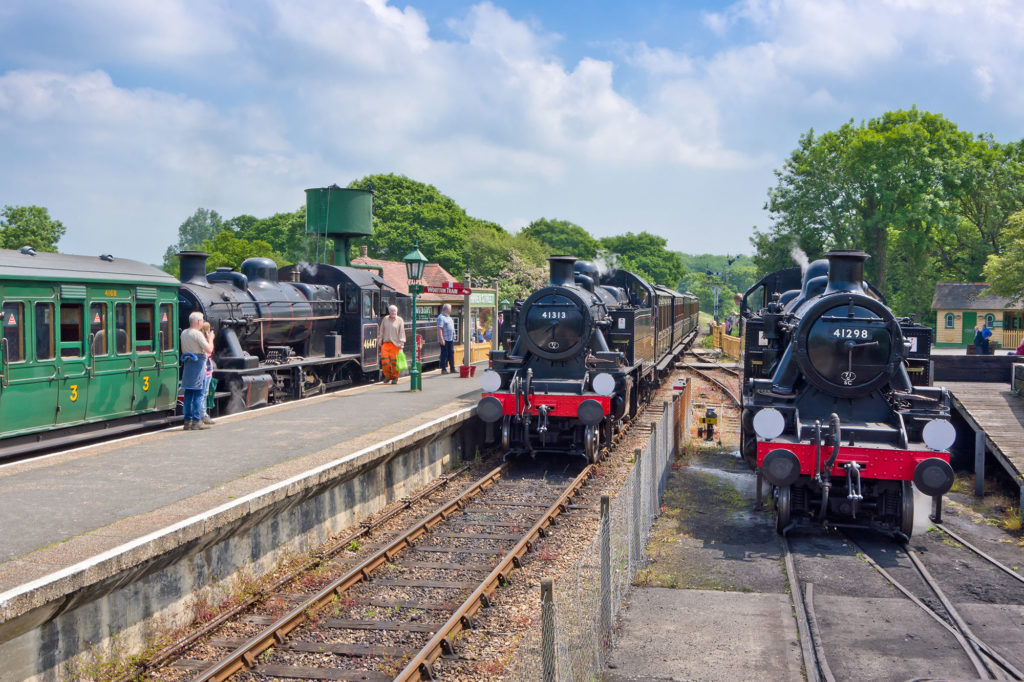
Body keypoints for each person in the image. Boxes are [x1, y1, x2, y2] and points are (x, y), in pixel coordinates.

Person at [180, 311, 214, 430]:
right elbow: (209, 349)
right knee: (198, 394)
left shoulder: (184, 333)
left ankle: (187, 420)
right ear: (199, 322)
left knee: (188, 393)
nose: (203, 322)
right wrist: (210, 338)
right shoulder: (198, 334)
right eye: (203, 320)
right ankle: (196, 420)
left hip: (188, 364)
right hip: (199, 365)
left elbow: (183, 350)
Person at [379, 305, 405, 384]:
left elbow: (402, 332)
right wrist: (380, 339)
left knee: (394, 363)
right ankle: (388, 376)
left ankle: (394, 377)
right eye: (391, 311)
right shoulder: (385, 319)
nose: (393, 312)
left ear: (396, 312)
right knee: (385, 362)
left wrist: (402, 343)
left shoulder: (400, 320)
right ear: (389, 311)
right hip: (386, 343)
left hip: (396, 344)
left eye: (394, 311)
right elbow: (381, 330)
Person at [198, 322, 216, 425]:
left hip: (208, 368)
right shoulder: (203, 340)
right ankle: (202, 414)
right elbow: (209, 350)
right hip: (205, 369)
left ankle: (203, 414)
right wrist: (211, 339)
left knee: (205, 392)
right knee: (203, 393)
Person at [437, 303, 456, 374]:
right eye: (450, 309)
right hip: (445, 338)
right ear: (447, 309)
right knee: (444, 353)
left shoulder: (449, 317)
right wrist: (441, 339)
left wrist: (454, 334)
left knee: (451, 353)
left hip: (450, 338)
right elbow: (439, 328)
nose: (451, 310)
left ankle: (452, 368)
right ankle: (443, 369)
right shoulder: (441, 317)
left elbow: (452, 327)